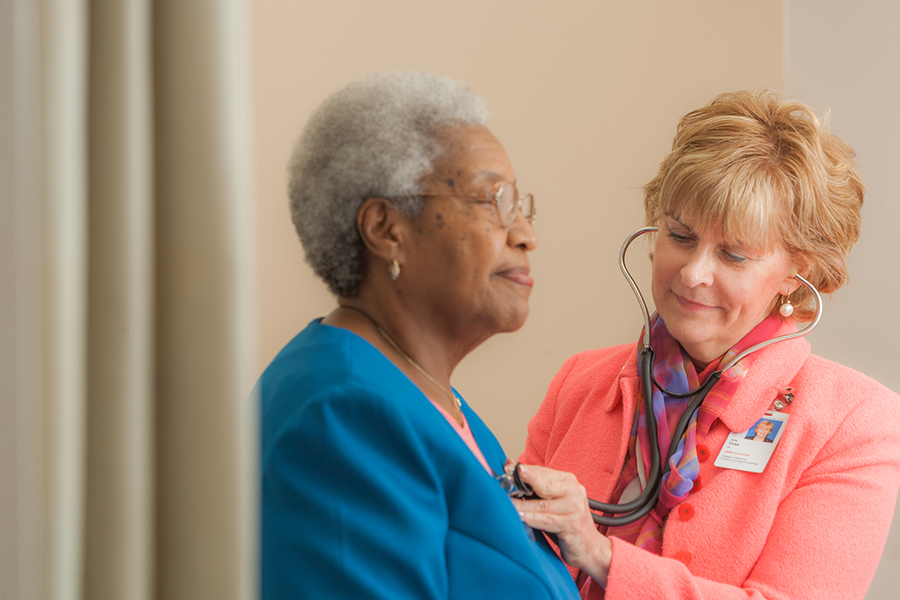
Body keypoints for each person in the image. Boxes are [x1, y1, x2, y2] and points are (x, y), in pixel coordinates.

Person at [512, 89, 900, 599]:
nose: (693, 273)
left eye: (734, 255)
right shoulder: (579, 383)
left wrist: (602, 557)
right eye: (680, 235)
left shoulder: (854, 424)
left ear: (795, 272)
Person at [258, 71, 580, 600]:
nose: (526, 234)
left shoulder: (428, 397)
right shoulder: (344, 416)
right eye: (490, 200)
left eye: (520, 205)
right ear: (386, 229)